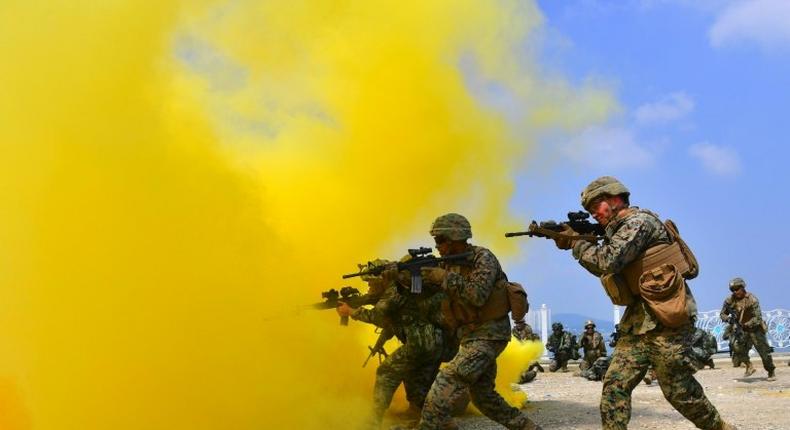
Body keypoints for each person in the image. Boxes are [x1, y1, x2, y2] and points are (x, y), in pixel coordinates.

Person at [552, 176, 735, 430]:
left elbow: (608, 261)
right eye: (589, 210)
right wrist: (574, 239)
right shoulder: (616, 230)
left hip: (666, 319)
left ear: (615, 199)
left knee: (678, 391)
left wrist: (577, 244)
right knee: (615, 385)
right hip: (638, 323)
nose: (593, 214)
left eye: (597, 206)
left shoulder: (638, 223)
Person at [413, 213, 541, 430]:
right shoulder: (447, 264)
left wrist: (441, 277)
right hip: (470, 336)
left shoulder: (483, 258)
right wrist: (405, 278)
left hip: (489, 334)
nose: (438, 247)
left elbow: (476, 295)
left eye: (440, 241)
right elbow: (428, 298)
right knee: (483, 397)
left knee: (448, 378)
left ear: (455, 237)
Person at [336, 259, 448, 429]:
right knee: (415, 377)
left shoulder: (394, 290)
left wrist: (351, 311)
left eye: (373, 284)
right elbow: (395, 321)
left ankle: (374, 420)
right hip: (435, 341)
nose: (370, 288)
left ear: (383, 279)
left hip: (421, 342)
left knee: (386, 371)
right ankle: (425, 414)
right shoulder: (404, 288)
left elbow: (377, 317)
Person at [719, 277, 775, 380]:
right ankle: (749, 366)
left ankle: (771, 371)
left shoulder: (752, 299)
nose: (735, 292)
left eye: (737, 289)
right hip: (742, 330)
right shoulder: (729, 301)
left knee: (764, 353)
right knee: (736, 347)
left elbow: (758, 318)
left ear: (742, 288)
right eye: (733, 290)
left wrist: (746, 324)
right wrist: (729, 319)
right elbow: (722, 314)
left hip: (755, 329)